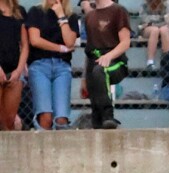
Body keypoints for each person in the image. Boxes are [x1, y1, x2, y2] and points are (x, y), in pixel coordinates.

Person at [24, 0, 75, 129]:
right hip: (39, 65)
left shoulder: (71, 16)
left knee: (61, 118)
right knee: (45, 117)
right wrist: (60, 48)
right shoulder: (36, 12)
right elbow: (35, 40)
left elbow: (70, 42)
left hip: (62, 66)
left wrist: (61, 15)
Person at [82, 0, 133, 129]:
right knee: (94, 99)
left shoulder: (118, 11)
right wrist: (84, 77)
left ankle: (108, 114)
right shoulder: (89, 16)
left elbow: (125, 42)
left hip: (115, 61)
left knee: (100, 70)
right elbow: (89, 51)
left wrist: (109, 56)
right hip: (94, 60)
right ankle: (99, 121)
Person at [0, 0, 26, 131]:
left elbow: (25, 45)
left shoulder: (19, 11)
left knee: (9, 121)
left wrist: (19, 70)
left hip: (13, 71)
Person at [137, 0, 169, 68]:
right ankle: (150, 62)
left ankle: (168, 60)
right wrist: (159, 20)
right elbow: (144, 19)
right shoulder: (144, 4)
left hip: (163, 27)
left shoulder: (167, 3)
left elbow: (168, 21)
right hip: (147, 29)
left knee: (164, 30)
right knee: (155, 30)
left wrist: (152, 22)